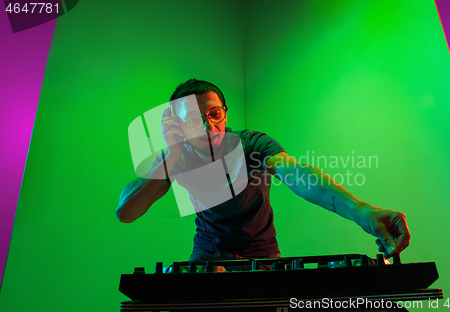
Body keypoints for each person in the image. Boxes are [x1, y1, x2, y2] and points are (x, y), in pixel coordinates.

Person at [116, 79, 410, 262]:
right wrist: (171, 152)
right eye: (193, 119)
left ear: (225, 112)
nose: (208, 126)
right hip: (206, 257)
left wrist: (362, 211)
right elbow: (126, 212)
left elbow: (297, 175)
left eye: (214, 114)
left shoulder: (252, 144)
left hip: (263, 256)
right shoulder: (176, 158)